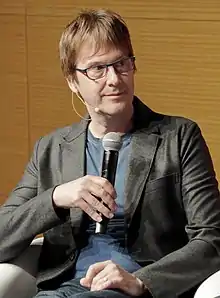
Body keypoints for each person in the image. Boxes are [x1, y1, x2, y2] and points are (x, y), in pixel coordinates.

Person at [0, 8, 220, 298]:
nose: (114, 79)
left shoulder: (177, 137)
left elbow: (212, 239)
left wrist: (143, 281)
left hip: (134, 289)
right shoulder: (51, 148)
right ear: (72, 80)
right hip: (62, 290)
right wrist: (55, 198)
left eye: (122, 63)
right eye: (97, 69)